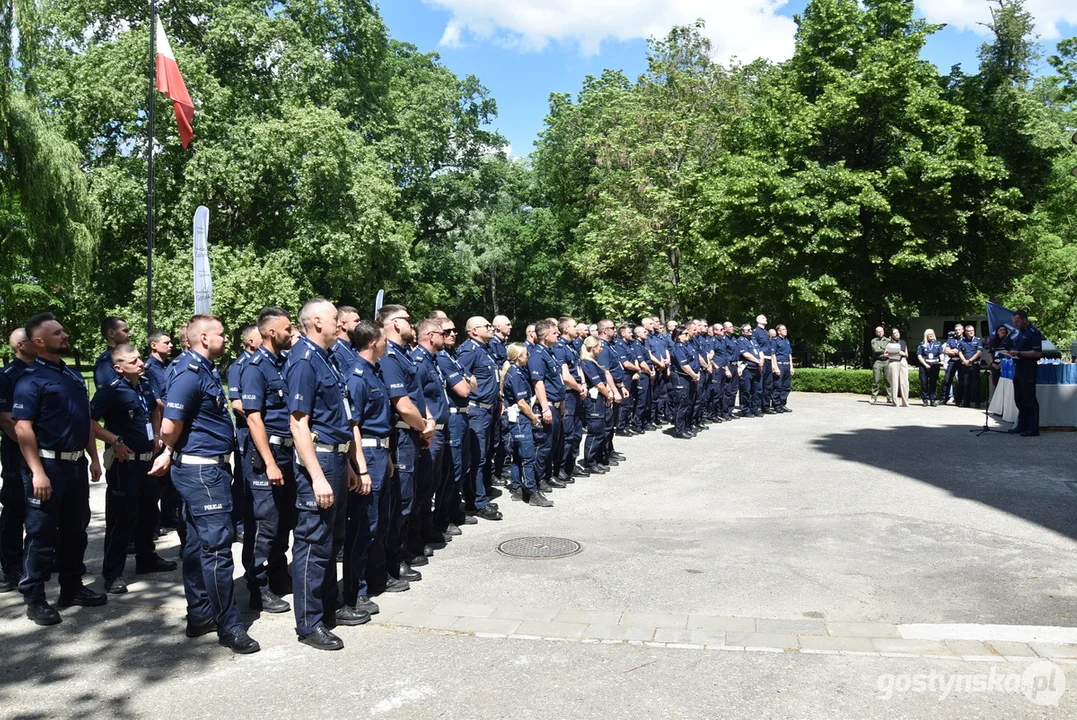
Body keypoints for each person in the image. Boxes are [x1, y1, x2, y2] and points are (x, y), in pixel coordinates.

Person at [148, 315, 259, 653]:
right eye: (222, 334)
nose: (227, 339)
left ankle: (200, 615)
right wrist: (171, 448)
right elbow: (169, 426)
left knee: (197, 547)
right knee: (217, 550)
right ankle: (229, 626)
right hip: (202, 473)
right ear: (204, 338)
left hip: (206, 469)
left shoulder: (204, 368)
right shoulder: (189, 373)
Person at [281, 299, 369, 651]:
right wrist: (317, 477)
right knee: (312, 543)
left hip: (335, 459)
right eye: (336, 318)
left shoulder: (326, 357)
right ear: (317, 321)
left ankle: (328, 609)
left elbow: (336, 419)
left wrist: (347, 465)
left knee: (330, 542)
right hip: (317, 462)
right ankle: (309, 623)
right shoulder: (303, 360)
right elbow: (298, 424)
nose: (341, 324)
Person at [12, 313, 106, 625]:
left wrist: (93, 457)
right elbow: (23, 428)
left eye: (63, 331)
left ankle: (72, 587)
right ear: (39, 342)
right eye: (57, 333)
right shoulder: (30, 380)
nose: (64, 336)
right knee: (41, 534)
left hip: (76, 464)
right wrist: (37, 471)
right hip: (48, 466)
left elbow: (85, 421)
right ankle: (35, 597)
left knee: (75, 530)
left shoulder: (74, 376)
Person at [91, 344, 175, 595]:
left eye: (140, 358)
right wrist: (114, 441)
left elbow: (154, 410)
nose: (141, 363)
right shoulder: (111, 391)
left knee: (148, 513)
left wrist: (157, 434)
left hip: (147, 460)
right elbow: (89, 421)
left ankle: (146, 558)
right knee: (122, 518)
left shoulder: (145, 385)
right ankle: (112, 573)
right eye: (134, 361)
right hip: (125, 464)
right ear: (118, 368)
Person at [239, 307, 297, 614]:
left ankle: (277, 574)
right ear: (272, 332)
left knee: (284, 520)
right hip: (268, 454)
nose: (291, 333)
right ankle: (257, 587)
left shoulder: (282, 363)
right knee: (265, 523)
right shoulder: (255, 367)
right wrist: (270, 462)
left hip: (288, 452)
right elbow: (254, 419)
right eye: (287, 328)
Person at [375, 305, 435, 587]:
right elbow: (401, 403)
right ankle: (392, 562)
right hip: (402, 437)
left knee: (410, 498)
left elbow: (417, 395)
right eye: (408, 320)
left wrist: (428, 421)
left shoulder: (403, 354)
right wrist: (424, 427)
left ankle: (400, 555)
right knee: (400, 501)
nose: (413, 324)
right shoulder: (389, 356)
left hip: (413, 434)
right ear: (395, 325)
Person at [343, 319, 396, 617]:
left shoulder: (373, 372)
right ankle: (355, 590)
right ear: (373, 342)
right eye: (384, 339)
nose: (387, 343)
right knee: (364, 525)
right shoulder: (357, 376)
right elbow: (354, 425)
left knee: (380, 523)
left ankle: (376, 578)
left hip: (380, 451)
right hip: (366, 455)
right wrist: (361, 466)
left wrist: (386, 454)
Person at [410, 318, 451, 562]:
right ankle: (418, 535)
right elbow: (417, 397)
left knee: (432, 483)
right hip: (429, 432)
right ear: (430, 336)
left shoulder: (431, 361)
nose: (446, 337)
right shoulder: (418, 361)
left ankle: (426, 528)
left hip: (440, 430)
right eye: (442, 333)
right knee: (424, 486)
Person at [434, 318, 478, 538]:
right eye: (446, 331)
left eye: (454, 330)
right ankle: (443, 518)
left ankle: (453, 511)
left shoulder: (451, 355)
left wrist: (467, 381)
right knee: (452, 470)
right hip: (452, 418)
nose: (452, 334)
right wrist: (467, 380)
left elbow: (473, 383)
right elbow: (464, 389)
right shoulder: (442, 357)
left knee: (461, 467)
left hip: (462, 416)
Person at [456, 317, 503, 521]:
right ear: (473, 331)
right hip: (477, 410)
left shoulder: (486, 349)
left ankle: (480, 493)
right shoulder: (469, 350)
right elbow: (461, 377)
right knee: (478, 457)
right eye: (486, 326)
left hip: (490, 409)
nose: (490, 328)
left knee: (485, 454)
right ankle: (476, 501)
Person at [0, 328, 36, 592]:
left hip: (40, 451)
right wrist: (29, 451)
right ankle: (11, 567)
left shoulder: (42, 371)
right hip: (17, 453)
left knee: (40, 511)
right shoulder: (7, 376)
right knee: (15, 510)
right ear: (22, 345)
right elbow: (6, 420)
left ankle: (35, 562)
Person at [501, 343, 553, 507]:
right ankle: (531, 492)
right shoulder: (515, 374)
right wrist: (533, 418)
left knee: (517, 456)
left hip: (518, 418)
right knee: (527, 457)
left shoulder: (516, 371)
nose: (528, 357)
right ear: (518, 357)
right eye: (525, 354)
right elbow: (521, 402)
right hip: (520, 420)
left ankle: (517, 487)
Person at [528, 319, 567, 490]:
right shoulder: (537, 355)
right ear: (544, 335)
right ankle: (539, 478)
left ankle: (548, 475)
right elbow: (538, 382)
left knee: (554, 444)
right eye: (554, 332)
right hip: (548, 405)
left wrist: (562, 404)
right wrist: (545, 407)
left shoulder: (549, 353)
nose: (558, 334)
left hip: (557, 404)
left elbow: (557, 380)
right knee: (544, 445)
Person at [553, 317, 588, 482]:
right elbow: (565, 376)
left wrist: (583, 385)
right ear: (565, 329)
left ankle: (571, 464)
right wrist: (579, 387)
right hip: (568, 394)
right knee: (567, 434)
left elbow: (578, 369)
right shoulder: (559, 347)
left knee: (576, 431)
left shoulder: (572, 346)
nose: (577, 328)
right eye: (574, 326)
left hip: (576, 393)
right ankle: (560, 468)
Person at [578, 336, 612, 473]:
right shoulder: (587, 362)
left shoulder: (594, 361)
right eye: (599, 346)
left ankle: (597, 459)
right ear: (593, 348)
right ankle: (590, 462)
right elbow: (598, 383)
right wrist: (608, 395)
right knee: (595, 430)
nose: (601, 349)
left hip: (599, 399)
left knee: (601, 430)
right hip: (594, 401)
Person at [1008, 310, 1043, 437]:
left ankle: (1033, 428)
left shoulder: (1033, 332)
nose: (1015, 324)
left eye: (1017, 321)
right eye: (1014, 322)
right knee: (1019, 398)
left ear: (1024, 319)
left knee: (1029, 398)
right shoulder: (1020, 333)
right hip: (1019, 368)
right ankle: (1022, 425)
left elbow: (1037, 353)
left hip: (1029, 369)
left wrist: (1018, 353)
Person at [669, 326, 699, 438]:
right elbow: (684, 365)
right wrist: (694, 375)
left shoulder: (688, 346)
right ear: (678, 336)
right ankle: (679, 430)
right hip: (681, 378)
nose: (687, 335)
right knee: (681, 403)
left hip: (690, 377)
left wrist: (696, 374)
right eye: (685, 333)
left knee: (689, 403)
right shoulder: (678, 347)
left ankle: (686, 427)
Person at [94, 316, 131, 389]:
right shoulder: (106, 362)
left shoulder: (125, 356)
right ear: (111, 333)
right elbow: (108, 392)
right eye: (125, 331)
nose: (130, 335)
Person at [737, 324, 764, 417]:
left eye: (751, 329)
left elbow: (760, 351)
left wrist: (761, 361)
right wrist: (758, 361)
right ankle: (746, 409)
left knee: (757, 390)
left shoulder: (753, 340)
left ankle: (755, 408)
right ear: (742, 332)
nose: (750, 331)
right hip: (747, 368)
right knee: (746, 390)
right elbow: (746, 355)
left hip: (757, 368)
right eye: (748, 330)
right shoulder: (740, 341)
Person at [329, 305, 361, 375]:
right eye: (356, 321)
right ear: (343, 324)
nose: (360, 324)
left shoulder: (357, 346)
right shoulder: (336, 351)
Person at [915, 330, 944, 406]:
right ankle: (925, 399)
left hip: (935, 365)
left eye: (932, 334)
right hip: (924, 365)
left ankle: (933, 399)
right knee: (924, 383)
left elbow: (941, 354)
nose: (931, 335)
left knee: (933, 383)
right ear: (926, 335)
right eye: (929, 334)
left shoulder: (938, 344)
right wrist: (925, 364)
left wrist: (942, 361)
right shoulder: (922, 344)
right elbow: (919, 356)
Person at [957, 324, 983, 409]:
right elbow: (959, 352)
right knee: (965, 384)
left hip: (974, 365)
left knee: (975, 384)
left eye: (973, 330)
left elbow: (979, 352)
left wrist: (970, 360)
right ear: (966, 332)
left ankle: (977, 402)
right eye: (970, 331)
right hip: (965, 365)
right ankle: (966, 402)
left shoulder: (978, 340)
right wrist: (964, 361)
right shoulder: (962, 341)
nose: (972, 332)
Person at [939, 323, 964, 406]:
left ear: (962, 330)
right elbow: (946, 351)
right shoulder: (951, 340)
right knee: (947, 380)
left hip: (961, 362)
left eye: (959, 330)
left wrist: (954, 351)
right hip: (952, 361)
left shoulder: (965, 340)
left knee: (960, 381)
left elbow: (964, 352)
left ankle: (959, 400)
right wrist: (955, 351)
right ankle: (944, 399)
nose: (957, 331)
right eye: (956, 330)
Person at [885, 329, 910, 407]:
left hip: (902, 361)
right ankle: (895, 401)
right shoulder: (889, 343)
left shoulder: (903, 342)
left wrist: (903, 354)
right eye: (895, 333)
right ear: (892, 335)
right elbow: (885, 354)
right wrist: (896, 353)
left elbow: (907, 354)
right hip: (893, 361)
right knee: (894, 382)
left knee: (904, 382)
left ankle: (905, 402)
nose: (897, 334)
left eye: (898, 332)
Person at [986, 325, 1014, 396]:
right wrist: (992, 363)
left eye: (1004, 330)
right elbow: (990, 353)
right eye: (1000, 330)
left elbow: (1010, 355)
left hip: (1005, 365)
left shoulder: (1009, 341)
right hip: (994, 364)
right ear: (997, 332)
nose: (1002, 331)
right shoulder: (993, 342)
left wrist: (1001, 364)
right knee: (995, 382)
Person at [772, 325, 794, 412]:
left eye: (786, 329)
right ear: (778, 331)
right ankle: (776, 405)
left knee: (786, 386)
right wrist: (775, 367)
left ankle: (782, 404)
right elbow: (773, 354)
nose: (785, 330)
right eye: (783, 329)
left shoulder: (787, 341)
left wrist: (791, 367)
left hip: (787, 365)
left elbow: (789, 355)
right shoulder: (775, 341)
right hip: (780, 365)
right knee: (778, 386)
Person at [869, 326, 890, 404]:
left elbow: (891, 350)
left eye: (881, 331)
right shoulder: (873, 340)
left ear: (883, 331)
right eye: (878, 331)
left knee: (888, 380)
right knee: (876, 380)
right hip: (877, 361)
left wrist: (881, 349)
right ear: (876, 332)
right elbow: (876, 350)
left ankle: (889, 397)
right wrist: (885, 350)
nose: (880, 332)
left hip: (887, 361)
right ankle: (873, 397)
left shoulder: (888, 340)